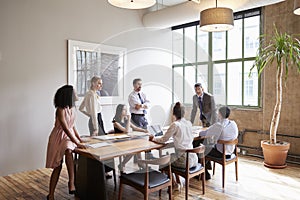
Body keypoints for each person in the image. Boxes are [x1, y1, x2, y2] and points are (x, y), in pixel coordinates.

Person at [46, 85, 86, 200]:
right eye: (75, 93)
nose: (77, 94)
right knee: (57, 167)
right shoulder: (60, 110)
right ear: (69, 95)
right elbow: (65, 128)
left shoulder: (72, 109)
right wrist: (77, 143)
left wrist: (79, 139)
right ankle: (51, 195)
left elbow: (72, 126)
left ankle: (71, 182)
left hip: (68, 137)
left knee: (69, 150)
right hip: (58, 137)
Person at [149, 102, 198, 190]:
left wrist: (153, 139)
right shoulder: (189, 123)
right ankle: (177, 181)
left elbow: (163, 139)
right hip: (193, 158)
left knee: (164, 159)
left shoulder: (175, 124)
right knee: (169, 153)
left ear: (173, 113)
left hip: (184, 161)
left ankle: (173, 183)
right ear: (184, 113)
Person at [199, 106, 238, 180]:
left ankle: (204, 174)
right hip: (231, 152)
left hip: (221, 154)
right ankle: (207, 168)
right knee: (208, 145)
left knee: (202, 148)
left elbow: (202, 134)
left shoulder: (218, 125)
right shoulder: (233, 124)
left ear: (220, 114)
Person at [112, 104, 148, 171]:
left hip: (127, 140)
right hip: (120, 142)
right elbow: (126, 131)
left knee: (138, 147)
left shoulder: (126, 120)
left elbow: (135, 127)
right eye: (124, 110)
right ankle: (123, 164)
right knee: (134, 150)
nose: (126, 111)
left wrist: (144, 130)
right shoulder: (116, 122)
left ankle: (140, 162)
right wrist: (129, 119)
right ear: (119, 111)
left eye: (126, 109)